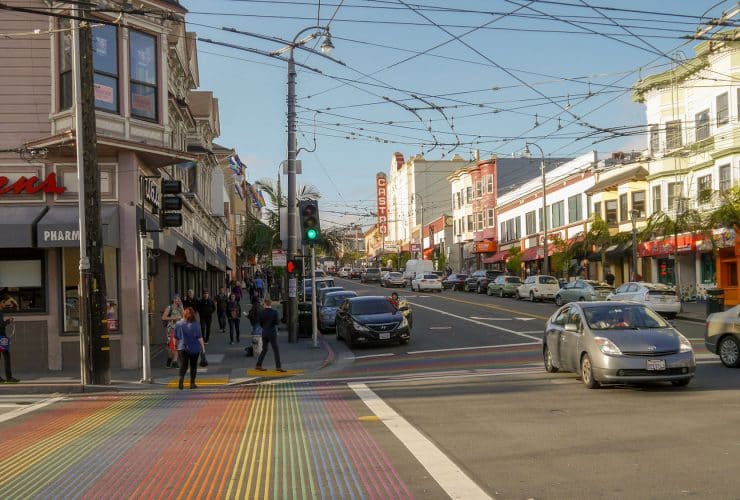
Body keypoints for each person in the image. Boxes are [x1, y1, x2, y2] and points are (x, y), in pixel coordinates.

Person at [174, 307, 206, 390]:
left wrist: (175, 346)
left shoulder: (178, 324)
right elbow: (200, 337)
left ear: (184, 314)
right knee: (193, 366)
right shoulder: (196, 324)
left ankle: (181, 380)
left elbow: (175, 338)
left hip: (182, 348)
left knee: (183, 365)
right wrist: (203, 348)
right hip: (194, 348)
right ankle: (192, 384)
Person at [256, 298, 285, 372]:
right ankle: (278, 367)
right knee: (276, 350)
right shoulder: (274, 312)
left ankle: (258, 365)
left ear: (265, 304)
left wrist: (265, 327)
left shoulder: (262, 312)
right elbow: (277, 323)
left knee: (264, 349)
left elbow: (260, 323)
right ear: (270, 304)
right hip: (272, 333)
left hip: (264, 332)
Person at [161, 295, 183, 368]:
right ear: (174, 300)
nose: (178, 301)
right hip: (171, 329)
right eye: (177, 299)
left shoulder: (180, 308)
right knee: (173, 346)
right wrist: (174, 318)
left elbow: (184, 316)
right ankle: (175, 362)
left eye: (179, 299)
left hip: (179, 329)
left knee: (174, 346)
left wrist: (182, 307)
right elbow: (163, 317)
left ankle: (170, 360)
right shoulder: (169, 308)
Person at [0, 300, 18, 383]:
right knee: (7, 356)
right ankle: (9, 378)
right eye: (3, 302)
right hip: (1, 337)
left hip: (2, 337)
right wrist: (9, 321)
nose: (5, 304)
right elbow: (1, 324)